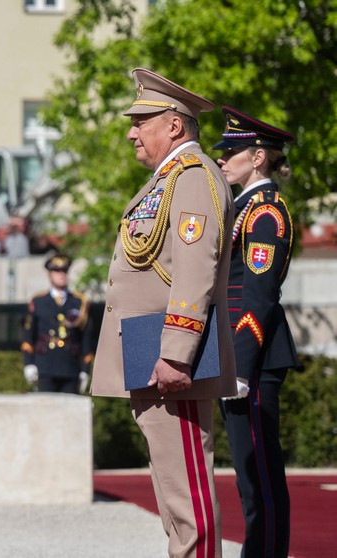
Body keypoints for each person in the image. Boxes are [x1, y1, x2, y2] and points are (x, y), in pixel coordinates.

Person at [90, 68, 237, 558]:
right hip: (147, 352)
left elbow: (196, 271)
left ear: (174, 125)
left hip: (171, 361)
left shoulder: (194, 178)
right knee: (173, 499)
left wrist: (176, 355)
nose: (132, 131)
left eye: (141, 120)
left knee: (188, 497)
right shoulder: (167, 180)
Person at [214, 106, 298, 558]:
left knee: (259, 472)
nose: (222, 159)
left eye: (233, 151)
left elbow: (258, 297)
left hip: (254, 357)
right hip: (237, 353)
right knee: (248, 472)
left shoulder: (265, 214)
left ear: (259, 157)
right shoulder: (242, 208)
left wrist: (241, 367)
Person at [21, 254, 94, 394]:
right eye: (57, 271)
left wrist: (85, 370)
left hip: (70, 366)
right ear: (50, 275)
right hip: (45, 366)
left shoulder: (79, 302)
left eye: (64, 271)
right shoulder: (39, 302)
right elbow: (28, 336)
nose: (62, 275)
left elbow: (86, 339)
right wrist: (28, 364)